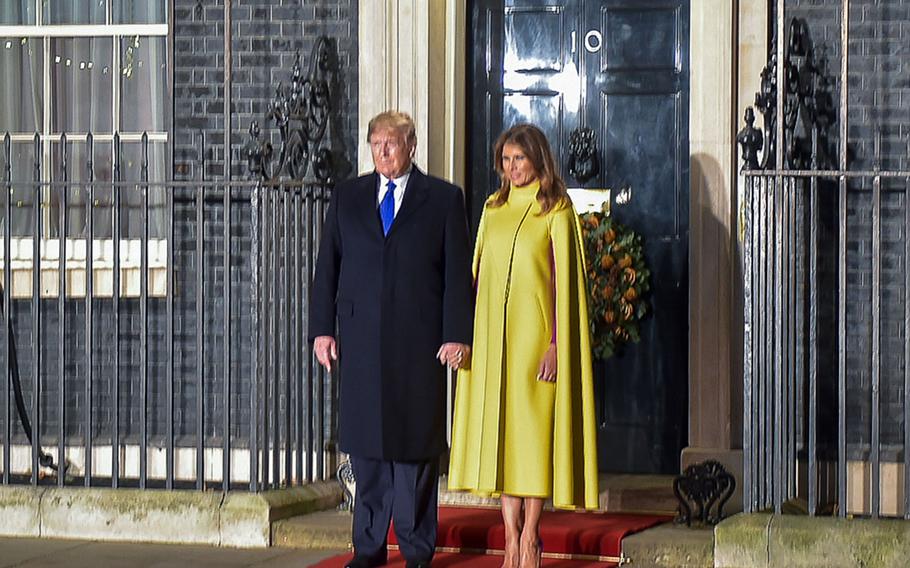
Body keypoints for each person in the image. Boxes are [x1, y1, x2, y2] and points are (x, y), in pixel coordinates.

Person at [310, 110, 474, 568]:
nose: (384, 152)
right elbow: (328, 269)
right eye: (377, 144)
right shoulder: (348, 198)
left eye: (392, 143)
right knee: (366, 450)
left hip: (419, 345)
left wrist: (457, 334)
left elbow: (458, 277)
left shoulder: (442, 199)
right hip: (360, 342)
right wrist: (322, 329)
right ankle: (368, 548)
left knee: (414, 452)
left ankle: (418, 549)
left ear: (412, 145)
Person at [447, 123, 599, 568]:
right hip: (494, 342)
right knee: (503, 440)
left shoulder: (556, 209)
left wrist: (555, 343)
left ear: (538, 159)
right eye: (506, 160)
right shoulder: (493, 209)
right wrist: (464, 336)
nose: (513, 168)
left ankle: (532, 534)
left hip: (535, 343)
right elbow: (474, 279)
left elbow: (563, 286)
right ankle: (509, 537)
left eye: (520, 159)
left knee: (531, 442)